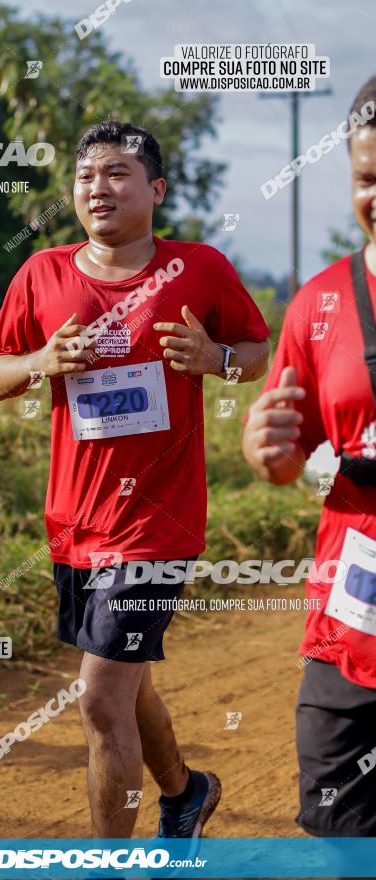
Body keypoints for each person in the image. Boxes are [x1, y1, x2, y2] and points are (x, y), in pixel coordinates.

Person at [0, 120, 270, 838]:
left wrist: (214, 359)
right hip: (75, 520)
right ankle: (185, 791)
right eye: (84, 176)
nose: (95, 188)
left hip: (158, 523)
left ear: (155, 190)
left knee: (99, 697)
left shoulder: (198, 268)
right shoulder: (41, 273)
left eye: (115, 173)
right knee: (127, 681)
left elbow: (255, 350)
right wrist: (41, 363)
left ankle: (110, 860)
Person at [242, 76, 376, 840]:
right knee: (336, 833)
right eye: (366, 177)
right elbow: (283, 448)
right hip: (349, 627)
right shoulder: (319, 303)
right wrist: (267, 453)